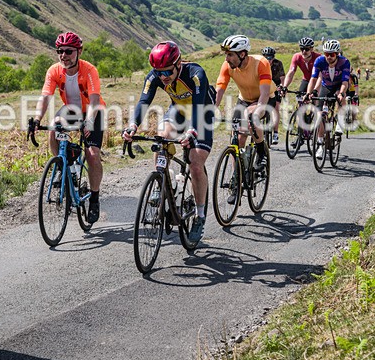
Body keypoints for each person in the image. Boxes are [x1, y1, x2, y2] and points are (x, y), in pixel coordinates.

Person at [122, 41, 214, 242]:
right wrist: (132, 126)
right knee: (161, 138)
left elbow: (198, 108)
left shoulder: (196, 74)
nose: (163, 77)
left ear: (178, 63)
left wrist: (192, 131)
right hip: (179, 109)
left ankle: (199, 216)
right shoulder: (155, 75)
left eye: (168, 72)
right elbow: (143, 102)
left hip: (202, 111)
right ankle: (163, 182)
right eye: (159, 72)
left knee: (196, 164)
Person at [30, 32, 104, 224]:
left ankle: (94, 199)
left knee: (93, 154)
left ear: (79, 51)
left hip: (92, 111)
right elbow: (45, 96)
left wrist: (88, 121)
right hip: (70, 110)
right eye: (60, 51)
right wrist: (37, 119)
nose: (64, 55)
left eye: (69, 51)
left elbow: (95, 100)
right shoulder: (54, 70)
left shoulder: (89, 70)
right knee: (54, 128)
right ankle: (64, 166)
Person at [214, 35, 272, 174]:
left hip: (263, 98)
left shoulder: (261, 63)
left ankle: (261, 152)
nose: (226, 59)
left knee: (251, 115)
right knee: (237, 141)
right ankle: (236, 178)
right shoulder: (227, 66)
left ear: (242, 54)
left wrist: (258, 112)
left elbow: (264, 93)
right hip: (243, 99)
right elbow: (220, 90)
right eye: (226, 55)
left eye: (230, 55)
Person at [305, 39, 352, 159]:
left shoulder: (344, 62)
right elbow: (313, 78)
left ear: (337, 54)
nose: (329, 57)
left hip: (338, 86)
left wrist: (341, 93)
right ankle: (320, 145)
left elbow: (345, 81)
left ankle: (340, 122)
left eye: (332, 54)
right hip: (326, 86)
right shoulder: (319, 61)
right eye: (327, 54)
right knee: (320, 115)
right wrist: (309, 93)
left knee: (341, 99)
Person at [261, 46, 285, 145]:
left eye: (270, 58)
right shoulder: (260, 64)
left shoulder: (278, 64)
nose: (269, 60)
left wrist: (282, 87)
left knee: (276, 107)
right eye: (266, 57)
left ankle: (275, 132)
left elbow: (282, 77)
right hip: (264, 85)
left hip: (276, 85)